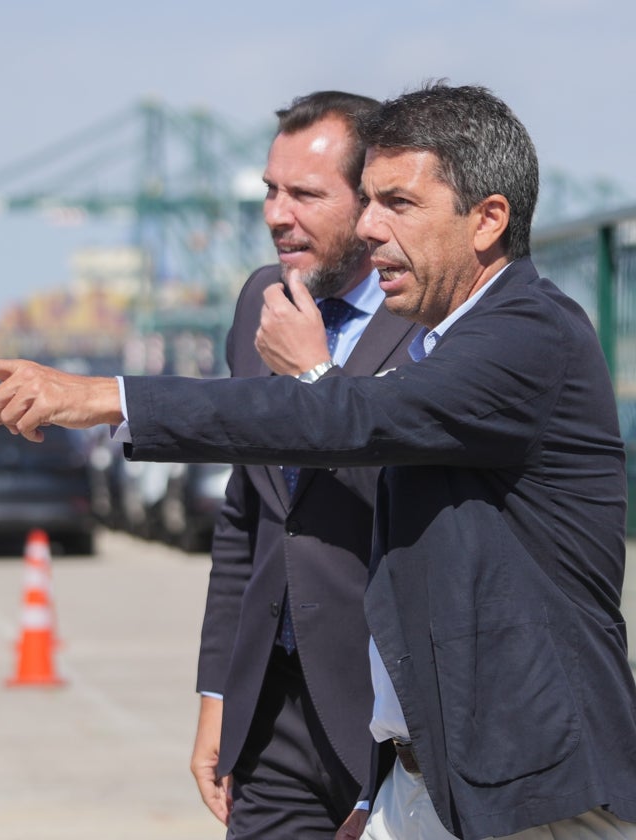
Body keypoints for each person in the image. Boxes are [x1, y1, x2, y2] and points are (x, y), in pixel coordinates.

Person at [0, 82, 636, 839]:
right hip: (417, 778)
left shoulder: (528, 336)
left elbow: (362, 421)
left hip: (531, 793)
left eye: (398, 204)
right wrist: (387, 789)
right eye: (367, 201)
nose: (371, 228)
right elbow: (326, 543)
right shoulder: (432, 335)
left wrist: (113, 397)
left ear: (488, 220)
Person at [190, 90, 420, 840]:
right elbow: (246, 517)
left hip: (393, 717)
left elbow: (412, 495)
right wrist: (217, 696)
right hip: (272, 715)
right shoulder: (261, 298)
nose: (275, 214)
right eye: (270, 190)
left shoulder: (426, 316)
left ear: (370, 205)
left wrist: (313, 377)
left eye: (305, 194)